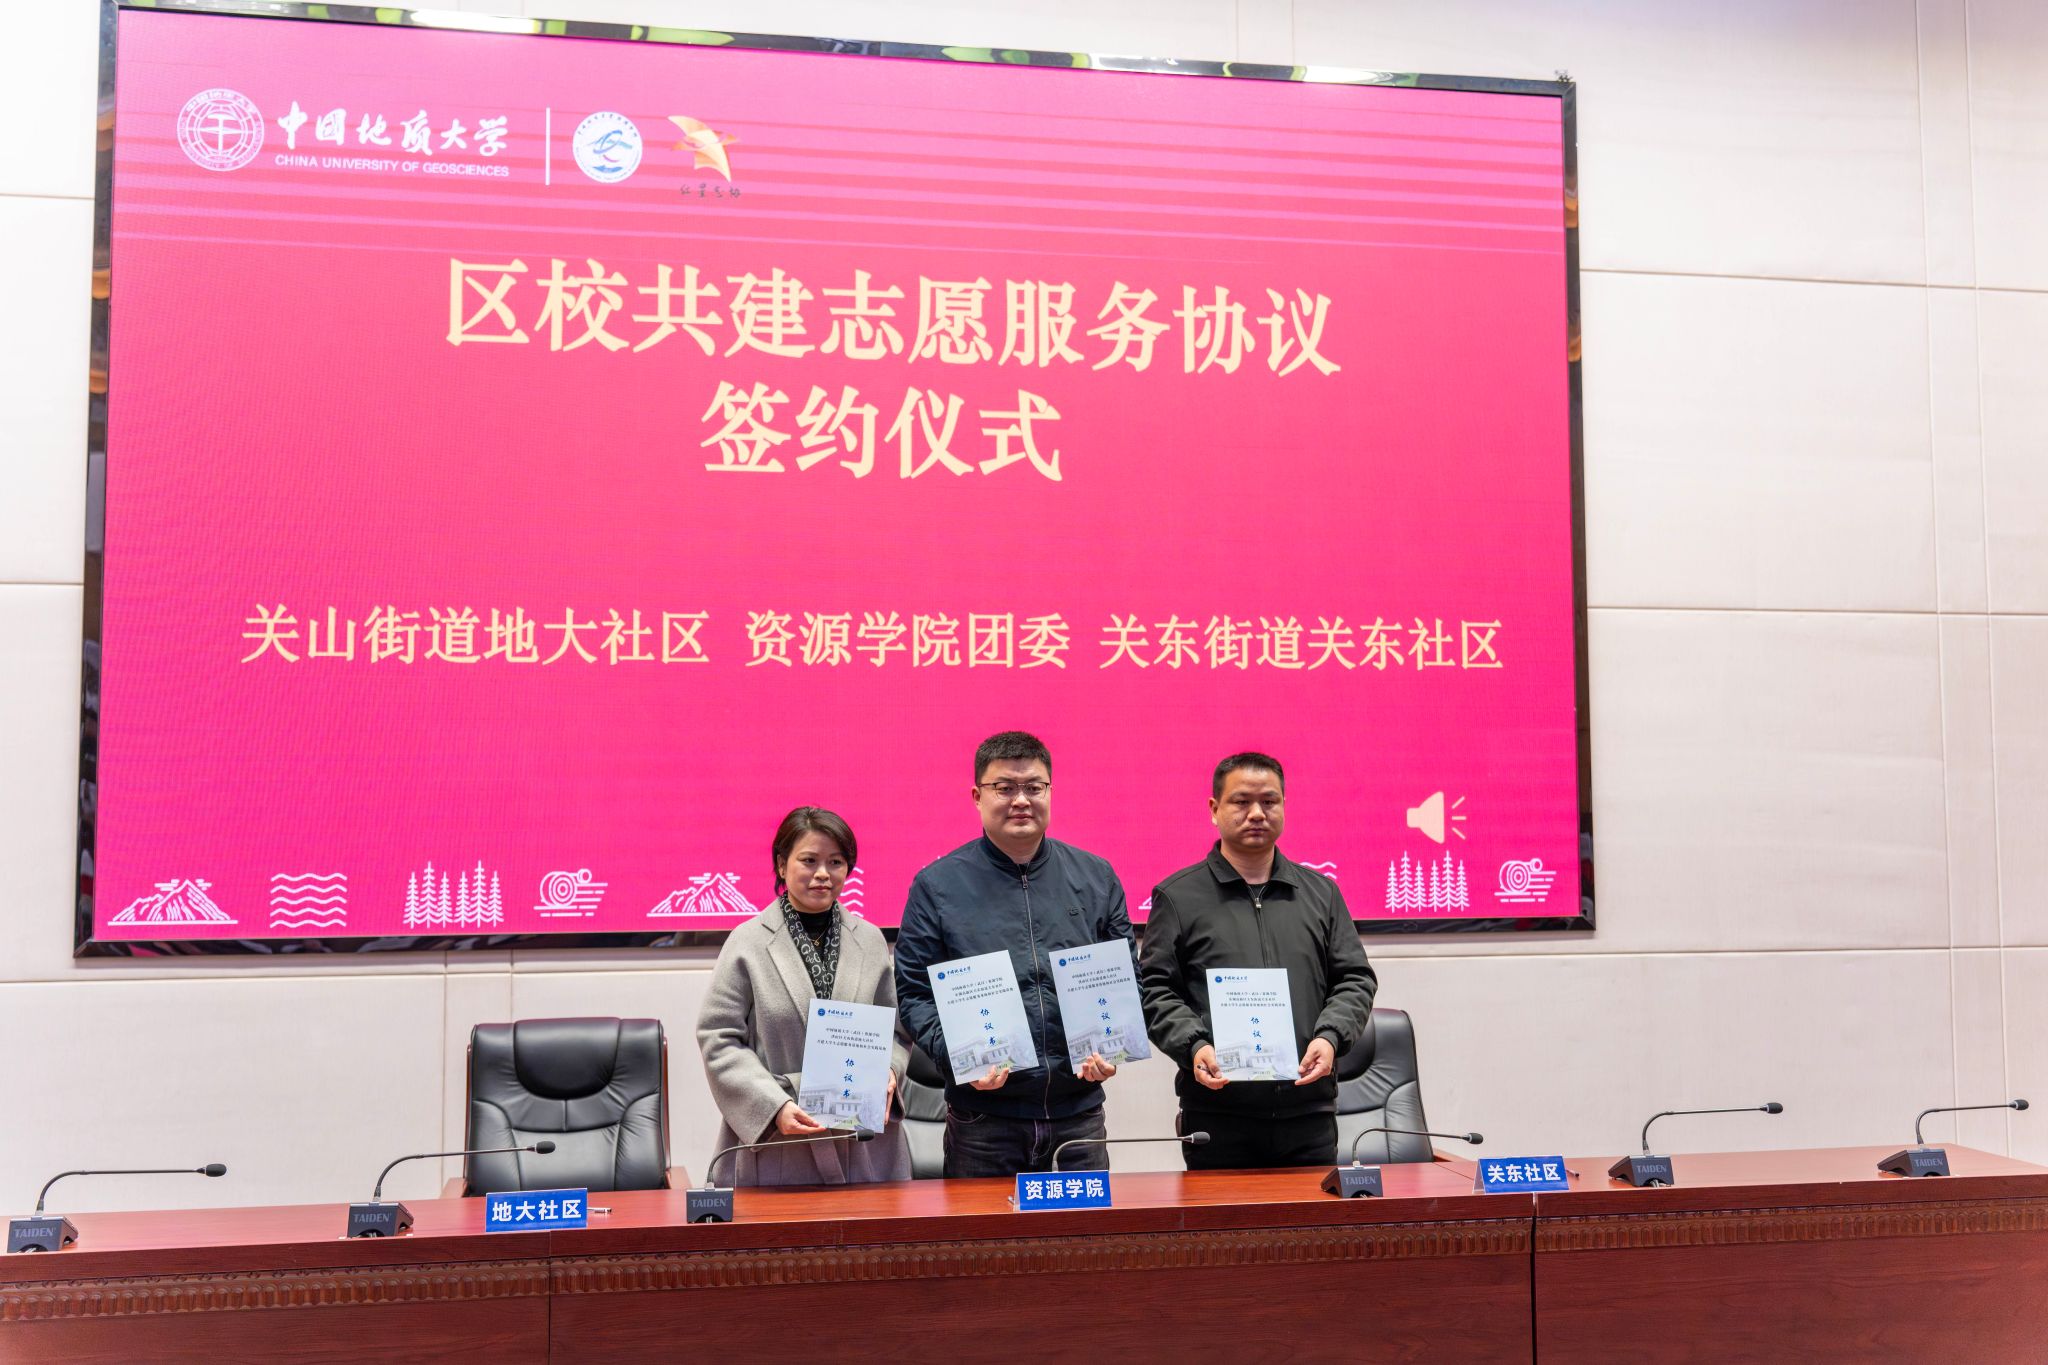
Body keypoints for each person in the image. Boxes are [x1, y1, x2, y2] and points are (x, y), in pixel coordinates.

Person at [895, 730, 1134, 1178]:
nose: (1021, 800)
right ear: (977, 796)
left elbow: (1125, 980)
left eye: (1034, 787)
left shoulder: (1096, 877)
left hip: (1078, 1114)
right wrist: (960, 1056)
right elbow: (914, 994)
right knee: (982, 1228)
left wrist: (1113, 1047)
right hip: (984, 1120)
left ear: (1050, 792)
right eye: (1004, 788)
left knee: (1081, 1226)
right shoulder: (937, 886)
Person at [1138, 752, 1377, 1170]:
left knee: (1310, 1215)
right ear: (1214, 809)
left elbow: (1355, 979)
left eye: (1269, 801)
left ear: (1284, 805)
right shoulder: (1178, 897)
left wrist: (1330, 1037)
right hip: (1217, 1114)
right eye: (1241, 801)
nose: (1256, 813)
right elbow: (1155, 989)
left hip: (1308, 1113)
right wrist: (1194, 1045)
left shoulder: (1320, 894)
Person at [697, 806, 911, 1186]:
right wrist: (772, 1105)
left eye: (836, 862)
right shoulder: (748, 942)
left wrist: (890, 1072)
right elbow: (719, 1037)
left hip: (864, 1144)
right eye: (809, 860)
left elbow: (896, 1031)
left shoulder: (870, 940)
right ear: (782, 865)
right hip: (782, 1141)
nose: (823, 873)